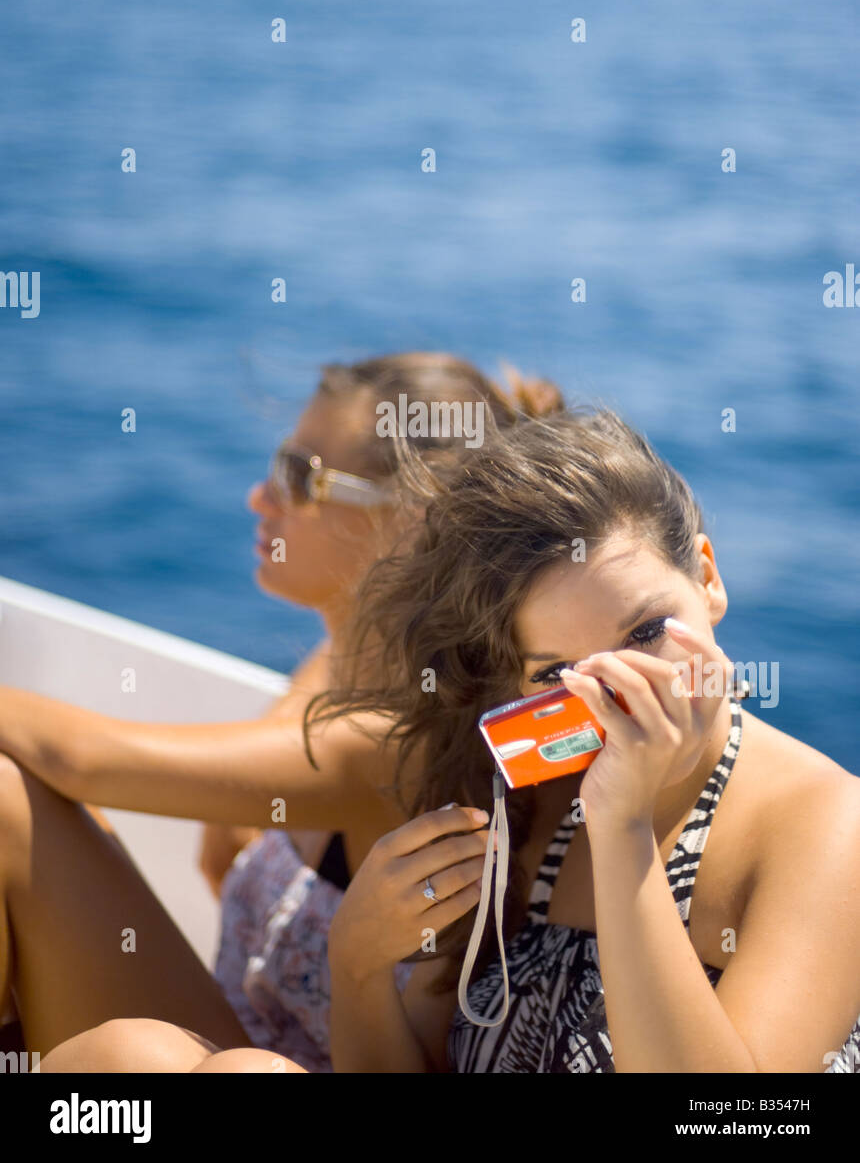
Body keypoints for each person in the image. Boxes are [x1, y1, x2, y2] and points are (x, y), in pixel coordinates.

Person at [37, 405, 860, 1074]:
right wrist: (359, 968)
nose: (620, 692)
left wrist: (621, 828)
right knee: (126, 1058)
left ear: (708, 578)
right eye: (558, 672)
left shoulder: (824, 822)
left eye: (647, 630)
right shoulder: (529, 783)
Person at [0, 352, 562, 1069]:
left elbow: (75, 758)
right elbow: (249, 790)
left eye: (300, 478)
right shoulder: (333, 668)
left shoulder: (397, 742)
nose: (260, 497)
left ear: (408, 523)